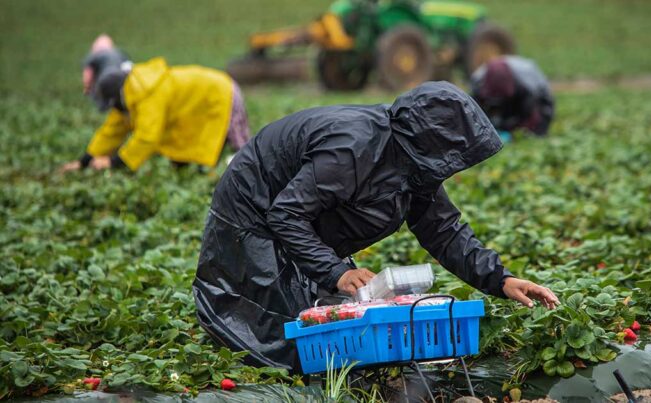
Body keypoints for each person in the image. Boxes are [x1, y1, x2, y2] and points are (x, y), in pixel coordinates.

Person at [193, 81, 560, 371]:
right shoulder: (351, 149)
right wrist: (335, 272)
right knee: (283, 336)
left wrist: (501, 279)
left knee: (333, 313)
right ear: (430, 142)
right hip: (252, 207)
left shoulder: (415, 165)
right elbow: (286, 214)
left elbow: (443, 231)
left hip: (302, 213)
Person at [59, 56, 250, 172]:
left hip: (222, 93)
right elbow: (112, 129)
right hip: (199, 104)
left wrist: (114, 162)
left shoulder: (149, 93)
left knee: (241, 152)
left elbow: (148, 137)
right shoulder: (130, 94)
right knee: (188, 160)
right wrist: (85, 160)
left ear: (116, 98)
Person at [470, 55, 555, 139]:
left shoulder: (527, 77)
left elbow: (540, 106)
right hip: (502, 92)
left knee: (538, 127)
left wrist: (528, 129)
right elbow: (474, 111)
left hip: (529, 91)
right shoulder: (478, 80)